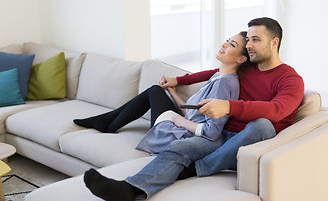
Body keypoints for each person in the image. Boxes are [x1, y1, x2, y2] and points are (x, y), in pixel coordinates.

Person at [81, 17, 304, 201]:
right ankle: (130, 189)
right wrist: (178, 80)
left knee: (263, 125)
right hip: (219, 134)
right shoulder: (248, 68)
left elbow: (277, 110)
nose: (249, 45)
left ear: (274, 43)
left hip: (245, 140)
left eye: (256, 40)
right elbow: (214, 73)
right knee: (180, 147)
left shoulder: (291, 79)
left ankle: (201, 167)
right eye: (248, 40)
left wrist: (228, 105)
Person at [74, 32, 250, 155]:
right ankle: (107, 123)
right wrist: (173, 92)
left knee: (154, 91)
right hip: (182, 124)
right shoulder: (218, 76)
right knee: (157, 90)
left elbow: (212, 132)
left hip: (180, 135)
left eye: (232, 44)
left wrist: (180, 121)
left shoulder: (224, 84)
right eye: (227, 40)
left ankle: (107, 123)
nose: (224, 44)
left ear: (241, 59)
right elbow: (191, 113)